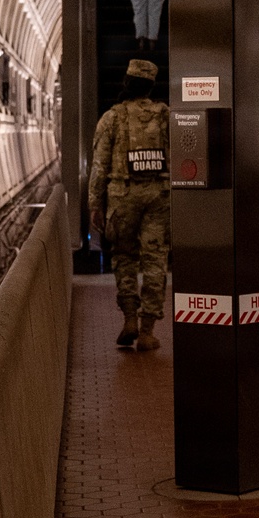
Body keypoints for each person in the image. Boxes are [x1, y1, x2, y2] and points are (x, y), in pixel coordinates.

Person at [89, 57, 170, 351]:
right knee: (155, 259)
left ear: (127, 83)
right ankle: (148, 331)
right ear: (151, 86)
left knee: (124, 257)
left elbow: (99, 165)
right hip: (158, 195)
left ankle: (130, 319)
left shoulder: (112, 117)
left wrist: (95, 205)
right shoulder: (164, 115)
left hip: (121, 195)